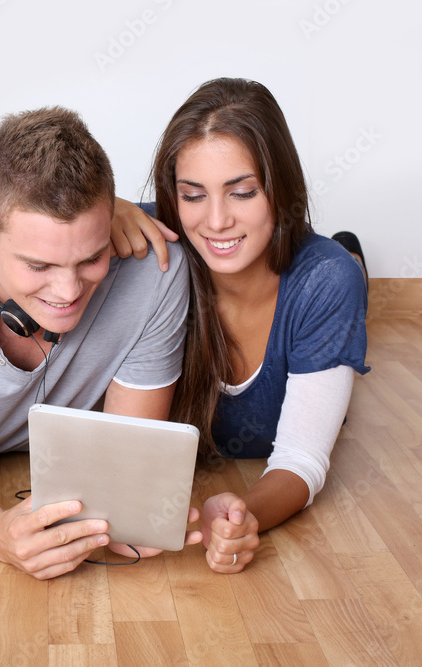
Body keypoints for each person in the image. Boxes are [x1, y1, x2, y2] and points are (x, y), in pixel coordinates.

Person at [0, 106, 202, 580]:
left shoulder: (157, 274)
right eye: (39, 266)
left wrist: (131, 512)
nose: (68, 293)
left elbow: (127, 458)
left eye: (91, 258)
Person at [111, 77, 370, 573]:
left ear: (281, 188)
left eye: (243, 192)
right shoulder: (156, 240)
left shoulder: (323, 283)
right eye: (192, 195)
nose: (216, 220)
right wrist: (104, 209)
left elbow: (302, 458)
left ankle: (353, 259)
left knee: (340, 273)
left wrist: (242, 513)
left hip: (326, 284)